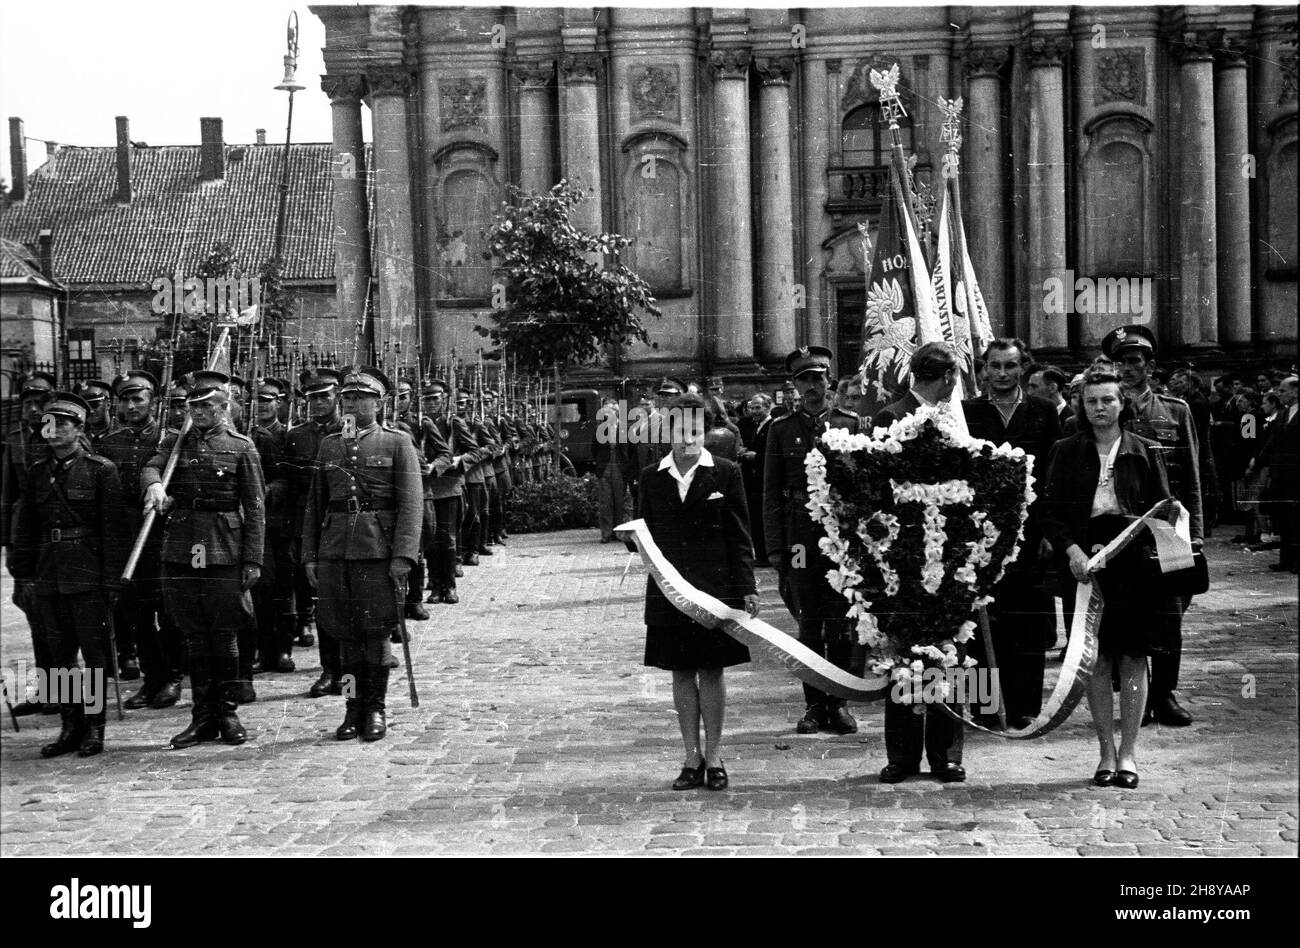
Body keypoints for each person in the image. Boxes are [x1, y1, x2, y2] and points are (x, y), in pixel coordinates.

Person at [1041, 365, 1173, 789]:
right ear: (1081, 405)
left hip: (1133, 561)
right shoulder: (1066, 450)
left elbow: (1165, 512)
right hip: (1084, 559)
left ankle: (1130, 754)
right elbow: (1051, 512)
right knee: (1095, 658)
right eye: (1092, 400)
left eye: (1108, 400)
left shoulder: (1146, 450)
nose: (1100, 407)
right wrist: (1073, 551)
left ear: (1122, 404)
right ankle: (1105, 753)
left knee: (1133, 656)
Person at [638, 393, 757, 790]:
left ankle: (717, 756)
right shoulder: (651, 476)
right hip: (669, 592)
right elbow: (644, 531)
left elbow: (740, 536)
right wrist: (631, 537)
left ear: (706, 432)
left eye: (695, 431)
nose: (688, 440)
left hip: (714, 589)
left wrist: (746, 588)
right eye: (679, 432)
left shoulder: (726, 472)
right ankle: (691, 756)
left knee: (712, 669)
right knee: (681, 671)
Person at [143, 371, 265, 748]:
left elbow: (255, 508)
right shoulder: (174, 443)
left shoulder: (241, 447)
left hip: (223, 550)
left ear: (224, 407)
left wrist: (253, 560)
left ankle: (227, 714)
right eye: (193, 407)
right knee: (194, 635)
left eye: (207, 406)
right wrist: (155, 485)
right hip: (182, 549)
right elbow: (151, 465)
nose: (200, 412)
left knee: (224, 633)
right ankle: (202, 718)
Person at [301, 367, 422, 742]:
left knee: (374, 634)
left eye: (361, 397)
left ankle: (376, 709)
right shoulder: (330, 445)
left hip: (377, 552)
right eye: (348, 397)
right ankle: (352, 710)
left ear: (379, 402)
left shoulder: (396, 443)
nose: (352, 403)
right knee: (344, 637)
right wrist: (309, 555)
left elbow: (411, 504)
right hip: (335, 552)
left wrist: (403, 555)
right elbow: (315, 505)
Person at [11, 392, 129, 756]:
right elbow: (26, 529)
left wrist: (111, 581)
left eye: (63, 423)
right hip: (49, 575)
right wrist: (25, 575)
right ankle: (69, 726)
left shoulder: (100, 470)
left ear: (80, 429)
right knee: (59, 658)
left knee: (93, 659)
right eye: (48, 422)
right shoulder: (36, 473)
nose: (53, 429)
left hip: (87, 575)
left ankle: (95, 728)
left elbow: (115, 531)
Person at [873, 342, 967, 783]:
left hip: (950, 553)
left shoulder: (955, 418)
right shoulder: (890, 417)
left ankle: (946, 754)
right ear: (946, 377)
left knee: (951, 653)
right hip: (906, 555)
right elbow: (879, 486)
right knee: (905, 653)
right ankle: (903, 755)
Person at [1102, 325, 1202, 726]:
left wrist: (1194, 532)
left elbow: (1193, 472)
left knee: (1169, 614)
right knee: (1123, 613)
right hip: (1122, 531)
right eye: (1120, 362)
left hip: (1169, 528)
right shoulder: (1104, 407)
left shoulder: (1175, 410)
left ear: (1149, 366)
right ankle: (1132, 697)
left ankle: (1164, 694)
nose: (1127, 369)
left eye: (1134, 361)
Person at [962, 339, 1062, 729]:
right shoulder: (968, 412)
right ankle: (986, 705)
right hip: (981, 536)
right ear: (984, 369)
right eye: (995, 366)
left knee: (1028, 619)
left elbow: (1052, 476)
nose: (1002, 374)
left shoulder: (1042, 411)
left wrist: (1051, 533)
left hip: (1030, 533)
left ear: (1023, 368)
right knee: (985, 619)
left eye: (1010, 366)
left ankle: (1024, 706)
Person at [764, 345, 862, 736]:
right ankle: (813, 706)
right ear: (794, 385)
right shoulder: (781, 429)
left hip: (839, 539)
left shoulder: (850, 425)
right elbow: (770, 493)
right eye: (803, 379)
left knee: (840, 622)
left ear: (829, 381)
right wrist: (775, 547)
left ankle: (837, 704)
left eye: (817, 378)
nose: (811, 386)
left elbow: (861, 487)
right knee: (808, 623)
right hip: (801, 539)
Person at [99, 370, 184, 710]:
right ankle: (151, 680)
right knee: (137, 615)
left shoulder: (172, 440)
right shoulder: (108, 443)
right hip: (127, 540)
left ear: (153, 401)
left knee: (169, 612)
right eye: (126, 399)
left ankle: (174, 679)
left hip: (163, 538)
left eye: (139, 398)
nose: (132, 405)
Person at [284, 368, 343, 696]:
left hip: (348, 527)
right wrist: (298, 537)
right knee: (321, 602)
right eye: (312, 397)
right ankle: (329, 671)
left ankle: (352, 677)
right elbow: (293, 490)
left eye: (325, 396)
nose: (318, 403)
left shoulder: (350, 432)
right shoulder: (297, 436)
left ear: (338, 397)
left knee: (349, 602)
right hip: (313, 528)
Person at [2, 371, 58, 715]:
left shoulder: (64, 437)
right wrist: (9, 544)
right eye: (28, 402)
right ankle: (47, 691)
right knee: (34, 612)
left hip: (65, 541)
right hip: (29, 540)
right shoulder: (15, 439)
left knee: (68, 623)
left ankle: (76, 699)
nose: (33, 409)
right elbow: (8, 496)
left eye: (41, 402)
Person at [249, 377, 297, 677]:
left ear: (278, 403)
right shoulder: (247, 435)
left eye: (268, 401)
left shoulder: (287, 436)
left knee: (284, 587)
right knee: (261, 588)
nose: (262, 406)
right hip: (255, 524)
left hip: (281, 522)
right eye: (258, 401)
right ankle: (263, 649)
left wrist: (268, 491)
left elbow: (289, 478)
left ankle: (282, 650)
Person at [423, 379, 478, 603]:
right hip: (427, 488)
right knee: (430, 539)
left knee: (447, 540)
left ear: (444, 400)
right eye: (426, 399)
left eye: (435, 399)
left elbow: (474, 451)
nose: (430, 404)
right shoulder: (420, 422)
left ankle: (449, 586)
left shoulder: (453, 422)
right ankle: (435, 586)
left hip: (449, 488)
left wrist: (458, 460)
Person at [1249, 376, 1298, 573]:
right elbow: (1270, 443)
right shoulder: (1283, 414)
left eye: (1283, 391)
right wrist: (1257, 462)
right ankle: (1286, 560)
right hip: (1281, 474)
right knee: (1284, 518)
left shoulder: (1285, 414)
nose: (1279, 394)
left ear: (1295, 391)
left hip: (1296, 474)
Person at [738, 393, 774, 560]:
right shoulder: (754, 426)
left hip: (763, 481)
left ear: (768, 407)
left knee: (762, 518)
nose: (754, 411)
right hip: (752, 481)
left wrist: (756, 456)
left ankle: (765, 555)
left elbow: (774, 454)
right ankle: (760, 554)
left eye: (758, 407)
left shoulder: (772, 426)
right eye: (752, 408)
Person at [595, 398, 633, 543]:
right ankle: (606, 534)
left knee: (619, 501)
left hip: (619, 468)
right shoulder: (600, 429)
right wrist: (600, 464)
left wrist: (626, 468)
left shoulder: (626, 428)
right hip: (605, 468)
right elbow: (595, 449)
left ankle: (618, 533)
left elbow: (629, 450)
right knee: (605, 503)